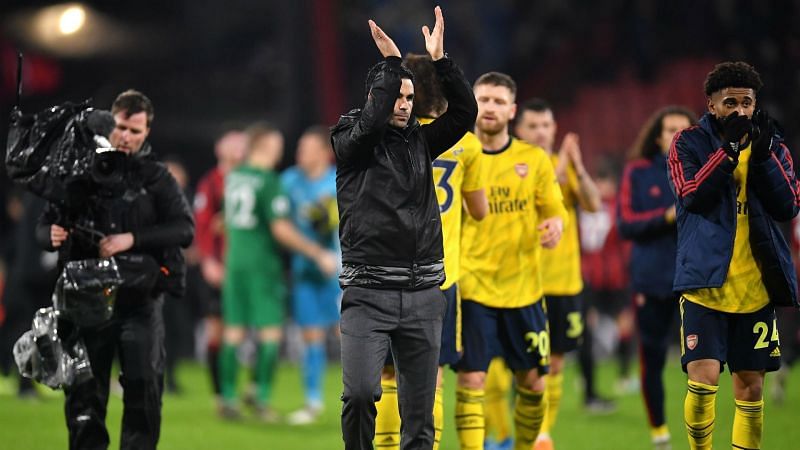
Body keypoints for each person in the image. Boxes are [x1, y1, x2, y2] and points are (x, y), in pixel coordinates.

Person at [331, 6, 477, 449]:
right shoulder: (349, 139)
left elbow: (464, 112)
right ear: (378, 95)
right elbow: (370, 123)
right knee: (359, 394)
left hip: (422, 294)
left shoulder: (420, 141)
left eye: (410, 98)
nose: (403, 103)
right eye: (396, 95)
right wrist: (393, 66)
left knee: (421, 414)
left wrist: (441, 62)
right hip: (367, 293)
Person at [39, 89, 195, 449]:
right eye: (121, 127)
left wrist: (132, 238)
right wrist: (49, 234)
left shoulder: (155, 177)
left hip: (139, 302)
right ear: (110, 123)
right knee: (85, 396)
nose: (126, 136)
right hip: (87, 303)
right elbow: (44, 226)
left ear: (147, 134)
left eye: (135, 131)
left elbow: (184, 228)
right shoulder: (80, 171)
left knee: (144, 389)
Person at [667, 61, 798, 450]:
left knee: (751, 387)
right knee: (703, 379)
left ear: (756, 103)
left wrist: (761, 158)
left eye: (746, 102)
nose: (739, 110)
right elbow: (692, 195)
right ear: (711, 104)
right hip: (705, 286)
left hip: (755, 288)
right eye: (730, 102)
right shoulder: (688, 143)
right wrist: (726, 153)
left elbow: (788, 205)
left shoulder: (773, 145)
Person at [372, 53, 488, 450]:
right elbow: (479, 210)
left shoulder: (391, 136)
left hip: (388, 272)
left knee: (388, 377)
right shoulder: (464, 144)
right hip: (441, 273)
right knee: (431, 376)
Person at [455, 71, 567, 450]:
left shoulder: (533, 159)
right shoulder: (456, 152)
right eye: (483, 99)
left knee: (534, 383)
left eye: (499, 101)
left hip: (524, 289)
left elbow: (555, 210)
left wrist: (555, 225)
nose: (490, 107)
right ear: (472, 103)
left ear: (512, 110)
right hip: (473, 287)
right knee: (471, 380)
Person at [219, 122, 336, 421]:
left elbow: (225, 220)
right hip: (265, 266)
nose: (285, 152)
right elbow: (280, 228)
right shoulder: (275, 181)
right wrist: (315, 251)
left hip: (236, 264)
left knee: (233, 332)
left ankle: (228, 398)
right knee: (271, 333)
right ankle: (262, 397)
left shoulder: (235, 178)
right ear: (267, 147)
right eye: (280, 147)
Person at [512, 98, 602, 450]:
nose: (541, 132)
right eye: (533, 126)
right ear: (519, 130)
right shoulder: (514, 164)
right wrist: (563, 166)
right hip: (524, 281)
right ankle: (521, 429)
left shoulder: (564, 167)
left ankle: (543, 434)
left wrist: (577, 168)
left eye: (546, 125)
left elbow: (594, 204)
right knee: (525, 364)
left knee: (558, 358)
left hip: (564, 281)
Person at [618, 106, 697, 450]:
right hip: (650, 280)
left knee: (702, 362)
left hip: (695, 280)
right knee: (651, 358)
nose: (677, 136)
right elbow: (625, 224)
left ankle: (700, 433)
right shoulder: (637, 172)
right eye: (670, 130)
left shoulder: (704, 173)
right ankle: (660, 432)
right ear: (657, 135)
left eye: (684, 130)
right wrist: (665, 216)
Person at [280, 125, 341, 424]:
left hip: (341, 273)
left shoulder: (338, 182)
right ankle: (313, 402)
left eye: (306, 148)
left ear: (323, 152)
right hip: (305, 271)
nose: (300, 154)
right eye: (299, 149)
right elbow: (276, 218)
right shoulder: (289, 180)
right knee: (311, 336)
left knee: (350, 336)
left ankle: (366, 397)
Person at [193, 129, 247, 409]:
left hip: (246, 268)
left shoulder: (249, 180)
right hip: (220, 267)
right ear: (220, 149)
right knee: (218, 331)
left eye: (243, 144)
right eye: (234, 144)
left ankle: (246, 389)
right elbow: (201, 226)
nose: (240, 148)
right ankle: (220, 395)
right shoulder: (211, 183)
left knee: (248, 332)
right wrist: (209, 261)